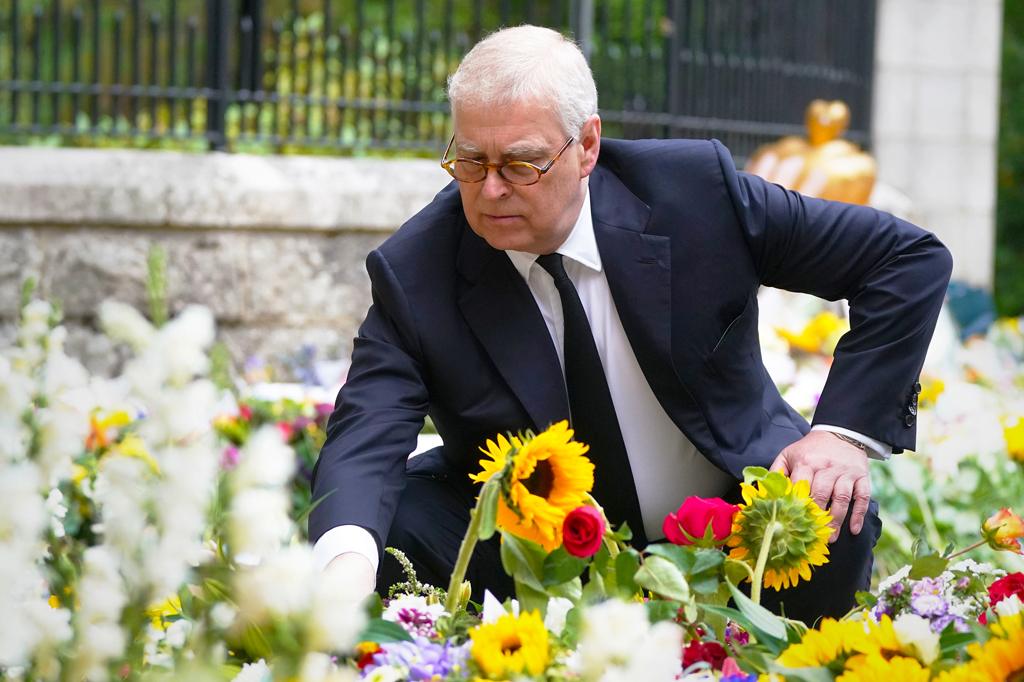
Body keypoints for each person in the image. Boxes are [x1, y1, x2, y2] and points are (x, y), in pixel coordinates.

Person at [309, 25, 952, 624]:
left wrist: (842, 435)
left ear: (587, 145)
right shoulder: (416, 268)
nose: (490, 190)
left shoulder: (693, 192)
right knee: (393, 528)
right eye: (471, 161)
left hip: (732, 524)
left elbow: (904, 259)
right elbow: (366, 431)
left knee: (828, 508)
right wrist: (344, 570)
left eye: (521, 164)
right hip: (534, 552)